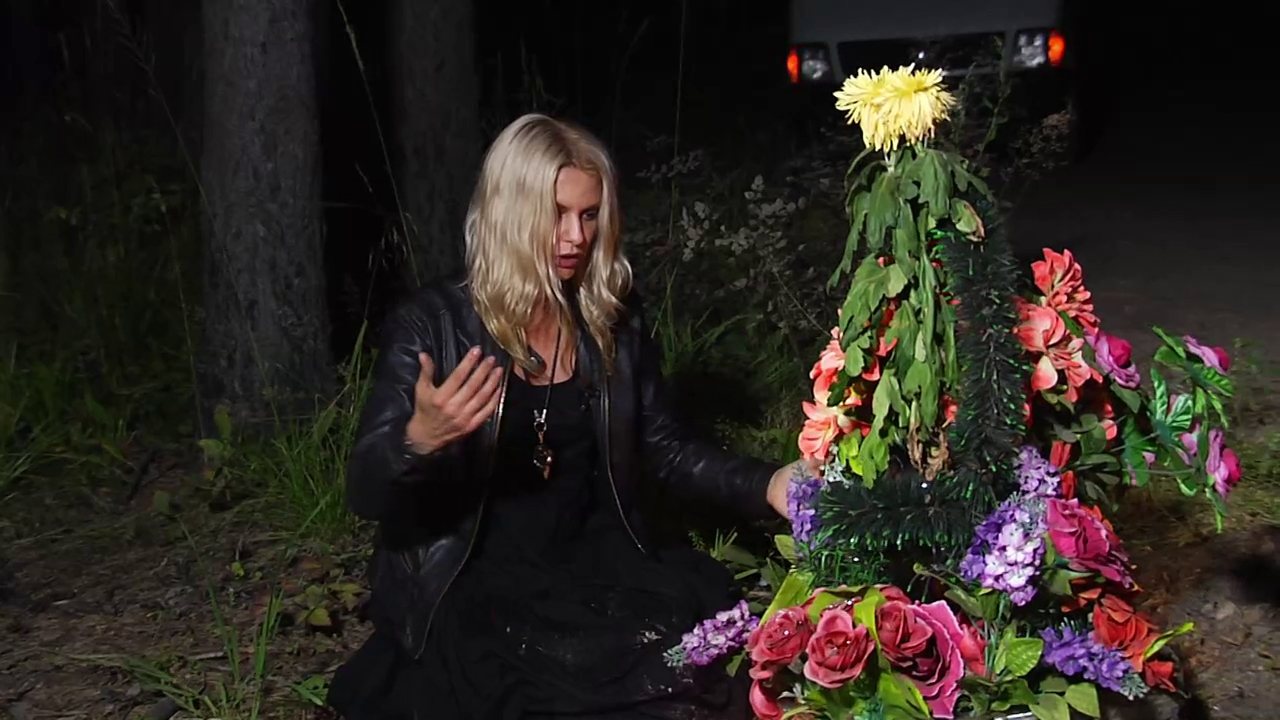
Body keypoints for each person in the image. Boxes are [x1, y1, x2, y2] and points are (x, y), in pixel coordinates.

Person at [327, 113, 809, 720]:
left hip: (596, 558)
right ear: (509, 212)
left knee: (698, 673)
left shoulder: (609, 315)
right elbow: (366, 488)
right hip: (478, 574)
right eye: (556, 214)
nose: (576, 237)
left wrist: (767, 483)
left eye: (589, 215)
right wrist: (418, 441)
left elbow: (663, 446)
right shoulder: (433, 324)